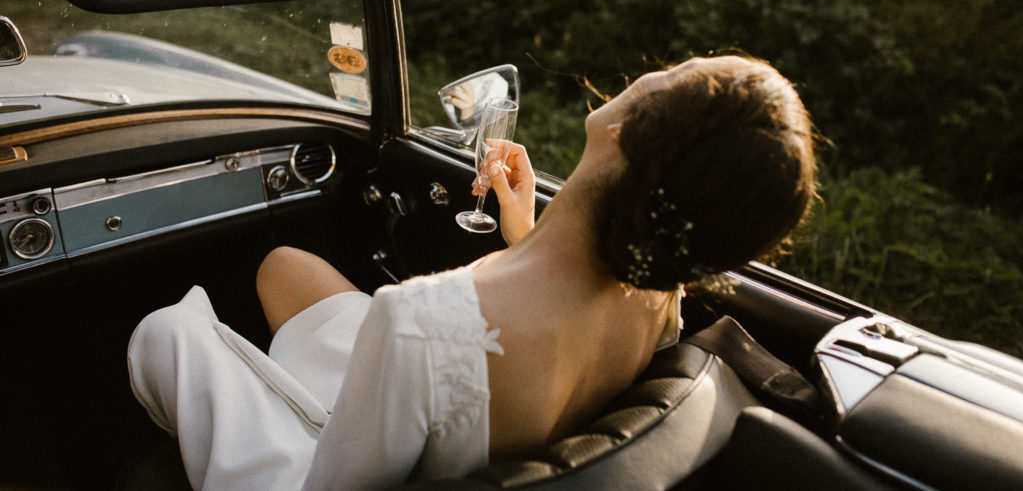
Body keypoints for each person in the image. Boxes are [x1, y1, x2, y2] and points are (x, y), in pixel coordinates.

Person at [127, 54, 816, 490]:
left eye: (679, 69)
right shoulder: (659, 294)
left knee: (165, 330)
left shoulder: (420, 319)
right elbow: (569, 304)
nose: (661, 66)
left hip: (344, 458)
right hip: (462, 418)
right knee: (284, 268)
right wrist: (524, 229)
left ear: (632, 133)